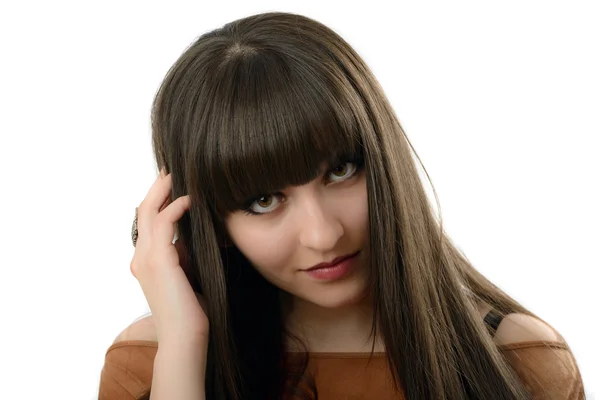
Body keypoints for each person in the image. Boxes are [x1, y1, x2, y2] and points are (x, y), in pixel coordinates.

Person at [98, 11, 585, 400]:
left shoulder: (521, 361)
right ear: (209, 221)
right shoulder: (148, 366)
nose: (323, 234)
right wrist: (183, 344)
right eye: (264, 200)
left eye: (341, 170)